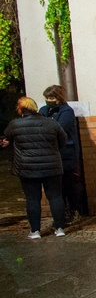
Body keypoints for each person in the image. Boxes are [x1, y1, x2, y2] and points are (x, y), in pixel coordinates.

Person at [1, 97, 67, 238]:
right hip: (52, 165)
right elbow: (63, 140)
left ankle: (35, 231)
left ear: (20, 109)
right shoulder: (51, 123)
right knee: (55, 196)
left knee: (32, 199)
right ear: (35, 107)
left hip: (27, 167)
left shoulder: (15, 124)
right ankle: (60, 228)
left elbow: (6, 139)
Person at [40, 85, 87, 218]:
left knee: (69, 184)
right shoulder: (44, 110)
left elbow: (59, 129)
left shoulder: (66, 111)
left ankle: (73, 209)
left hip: (66, 153)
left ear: (58, 98)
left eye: (52, 97)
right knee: (57, 187)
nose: (49, 100)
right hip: (51, 154)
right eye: (47, 97)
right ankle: (63, 212)